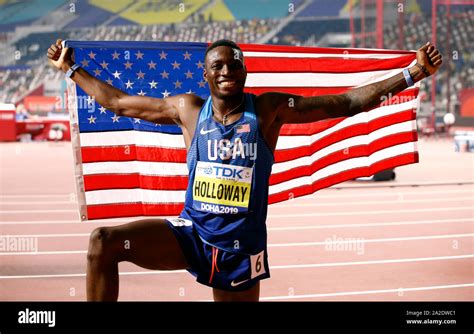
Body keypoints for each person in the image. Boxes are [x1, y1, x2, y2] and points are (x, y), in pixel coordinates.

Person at [47, 38, 442, 302]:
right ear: (206, 75)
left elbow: (345, 103)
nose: (227, 71)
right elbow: (118, 103)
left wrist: (412, 74)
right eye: (218, 65)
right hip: (192, 234)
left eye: (234, 65)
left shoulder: (268, 110)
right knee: (103, 241)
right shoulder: (186, 109)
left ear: (244, 73)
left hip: (239, 248)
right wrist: (71, 69)